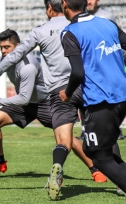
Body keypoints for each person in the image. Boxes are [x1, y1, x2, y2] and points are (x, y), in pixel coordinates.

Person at [0, 28, 106, 184]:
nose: (3, 51)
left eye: (7, 47)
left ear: (18, 47)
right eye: (1, 48)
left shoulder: (28, 67)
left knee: (67, 138)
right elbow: (23, 98)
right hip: (25, 102)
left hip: (45, 103)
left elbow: (23, 98)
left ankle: (95, 169)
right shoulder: (4, 59)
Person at [60, 0, 126, 198]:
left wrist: (67, 93)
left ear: (64, 4)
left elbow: (78, 73)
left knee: (99, 157)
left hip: (100, 100)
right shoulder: (108, 23)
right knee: (101, 149)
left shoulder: (70, 32)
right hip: (121, 95)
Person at [76, 0, 125, 140]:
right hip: (90, 66)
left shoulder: (108, 16)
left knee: (112, 98)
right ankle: (86, 129)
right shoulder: (81, 18)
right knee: (86, 99)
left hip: (107, 64)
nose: (89, 1)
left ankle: (116, 129)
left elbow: (117, 38)